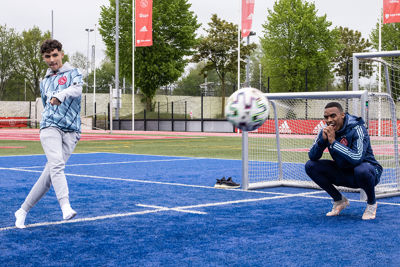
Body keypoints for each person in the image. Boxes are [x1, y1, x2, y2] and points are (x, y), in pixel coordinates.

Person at [14, 39, 83, 228]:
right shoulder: (44, 81)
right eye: (47, 56)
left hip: (72, 131)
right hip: (50, 127)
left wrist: (60, 95)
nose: (52, 59)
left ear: (61, 54)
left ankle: (22, 210)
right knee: (57, 165)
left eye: (54, 55)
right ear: (43, 58)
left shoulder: (74, 73)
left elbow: (77, 90)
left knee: (48, 177)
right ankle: (65, 206)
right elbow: (46, 105)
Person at [305, 102, 383, 220]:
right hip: (345, 172)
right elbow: (312, 156)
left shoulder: (357, 128)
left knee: (362, 169)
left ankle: (372, 203)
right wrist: (322, 142)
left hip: (368, 173)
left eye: (333, 116)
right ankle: (339, 200)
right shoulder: (326, 131)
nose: (329, 120)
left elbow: (357, 158)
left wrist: (333, 143)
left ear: (342, 115)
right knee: (310, 166)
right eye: (326, 117)